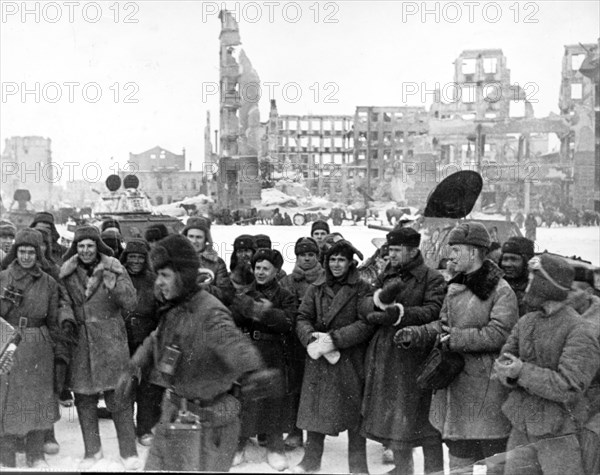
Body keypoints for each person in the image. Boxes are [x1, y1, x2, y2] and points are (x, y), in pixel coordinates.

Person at [127, 234, 265, 471]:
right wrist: (133, 366)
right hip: (175, 411)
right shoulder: (176, 307)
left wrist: (255, 372)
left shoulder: (209, 313)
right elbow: (156, 337)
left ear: (183, 276)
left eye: (165, 275)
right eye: (158, 274)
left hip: (206, 423)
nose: (158, 282)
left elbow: (236, 346)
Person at [394, 222, 519, 475]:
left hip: (486, 389)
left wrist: (456, 338)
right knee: (459, 458)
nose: (449, 255)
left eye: (456, 249)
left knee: (494, 461)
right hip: (457, 386)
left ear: (473, 252)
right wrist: (416, 334)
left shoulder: (501, 291)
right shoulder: (456, 285)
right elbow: (443, 325)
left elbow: (500, 333)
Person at [495, 254, 600, 475]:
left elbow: (569, 386)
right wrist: (509, 372)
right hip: (522, 427)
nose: (527, 287)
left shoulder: (580, 330)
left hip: (561, 432)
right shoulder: (526, 322)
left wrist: (521, 371)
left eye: (533, 281)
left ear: (547, 286)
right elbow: (505, 360)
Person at [360, 228, 446, 475]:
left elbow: (434, 311)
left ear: (413, 250)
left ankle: (434, 472)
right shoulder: (386, 273)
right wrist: (377, 302)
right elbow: (363, 301)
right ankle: (402, 469)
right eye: (390, 250)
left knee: (426, 426)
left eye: (397, 250)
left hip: (414, 359)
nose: (392, 255)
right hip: (386, 357)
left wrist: (401, 314)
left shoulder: (432, 278)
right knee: (396, 423)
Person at [59, 225, 140, 470]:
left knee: (119, 398)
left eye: (90, 246)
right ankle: (92, 451)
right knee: (84, 398)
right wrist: (66, 318)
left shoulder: (114, 266)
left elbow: (131, 302)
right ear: (76, 247)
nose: (85, 250)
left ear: (97, 247)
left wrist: (114, 285)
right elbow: (63, 301)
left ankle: (128, 453)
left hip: (110, 340)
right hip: (81, 341)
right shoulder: (66, 272)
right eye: (80, 246)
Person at [293, 239, 374, 474]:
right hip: (319, 358)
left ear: (351, 263)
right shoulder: (316, 288)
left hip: (349, 358)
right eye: (332, 260)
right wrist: (311, 339)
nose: (336, 265)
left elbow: (366, 323)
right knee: (315, 411)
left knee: (353, 415)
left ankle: (358, 467)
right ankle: (310, 461)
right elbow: (302, 317)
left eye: (341, 260)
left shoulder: (362, 289)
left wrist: (335, 340)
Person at [0, 229, 67, 468]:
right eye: (22, 251)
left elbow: (53, 319)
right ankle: (6, 455)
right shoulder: (4, 277)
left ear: (38, 254)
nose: (26, 256)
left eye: (31, 252)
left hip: (39, 344)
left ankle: (35, 454)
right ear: (15, 252)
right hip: (9, 342)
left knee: (39, 398)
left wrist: (57, 349)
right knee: (7, 399)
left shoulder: (48, 282)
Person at [229, 248, 296, 471]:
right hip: (247, 350)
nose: (260, 272)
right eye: (257, 267)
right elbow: (233, 316)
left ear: (276, 271)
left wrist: (265, 313)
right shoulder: (245, 291)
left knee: (274, 400)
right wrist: (246, 304)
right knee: (243, 399)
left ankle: (275, 448)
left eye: (265, 268)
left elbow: (288, 323)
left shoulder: (284, 295)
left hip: (273, 351)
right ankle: (237, 446)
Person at [280, 237, 325, 450]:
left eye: (310, 254)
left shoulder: (325, 279)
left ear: (317, 257)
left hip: (318, 337)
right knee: (296, 385)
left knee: (316, 386)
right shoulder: (289, 281)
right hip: (294, 340)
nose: (306, 258)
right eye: (302, 255)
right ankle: (295, 431)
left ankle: (315, 433)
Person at [119, 238, 162, 446]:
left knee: (147, 387)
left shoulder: (154, 281)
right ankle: (126, 429)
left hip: (146, 338)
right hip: (121, 338)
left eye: (140, 257)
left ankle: (144, 428)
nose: (135, 261)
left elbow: (161, 309)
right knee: (125, 385)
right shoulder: (118, 277)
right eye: (132, 257)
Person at [182, 217, 234, 305]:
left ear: (206, 239)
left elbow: (226, 295)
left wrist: (206, 288)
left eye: (199, 237)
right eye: (191, 236)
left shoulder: (217, 263)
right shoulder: (176, 259)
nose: (194, 241)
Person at [499, 236, 535, 316]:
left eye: (514, 259)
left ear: (527, 262)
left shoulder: (535, 289)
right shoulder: (498, 284)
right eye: (505, 259)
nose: (507, 264)